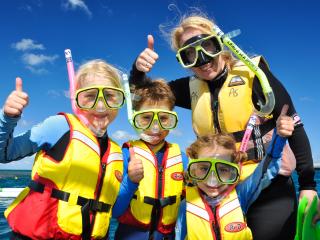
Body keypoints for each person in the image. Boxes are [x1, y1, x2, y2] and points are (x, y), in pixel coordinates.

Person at [129, 14, 318, 240]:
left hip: (268, 185)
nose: (202, 59)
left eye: (207, 46)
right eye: (190, 54)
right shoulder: (190, 88)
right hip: (216, 190)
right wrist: (139, 71)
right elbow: (145, 94)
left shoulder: (253, 74)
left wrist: (308, 184)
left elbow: (294, 124)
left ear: (220, 44)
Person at [0, 60, 125, 240]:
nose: (100, 105)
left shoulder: (115, 150)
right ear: (76, 99)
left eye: (110, 96)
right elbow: (4, 154)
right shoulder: (59, 127)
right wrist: (8, 118)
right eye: (90, 95)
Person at [175, 105, 295, 239]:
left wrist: (279, 138)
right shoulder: (185, 206)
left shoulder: (240, 195)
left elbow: (265, 170)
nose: (212, 179)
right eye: (204, 168)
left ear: (234, 171)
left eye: (223, 169)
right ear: (193, 169)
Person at [112, 79, 188, 240]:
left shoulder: (181, 158)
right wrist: (130, 181)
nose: (155, 127)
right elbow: (115, 210)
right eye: (146, 118)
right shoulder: (126, 154)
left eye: (164, 118)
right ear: (135, 119)